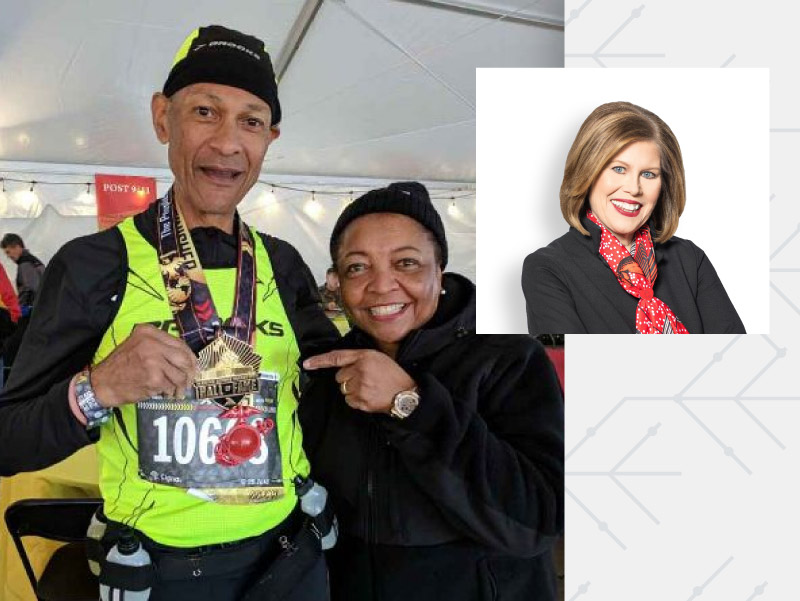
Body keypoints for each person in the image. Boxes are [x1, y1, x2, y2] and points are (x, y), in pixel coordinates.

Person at [0, 25, 338, 600]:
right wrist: (96, 389)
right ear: (163, 118)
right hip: (160, 572)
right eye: (205, 111)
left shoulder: (281, 264)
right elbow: (9, 443)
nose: (228, 142)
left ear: (270, 138)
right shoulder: (93, 265)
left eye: (251, 121)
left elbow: (328, 397)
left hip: (286, 558)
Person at [299, 182, 564, 601]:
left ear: (439, 271)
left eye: (405, 263)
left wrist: (410, 404)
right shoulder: (330, 369)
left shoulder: (507, 357)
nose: (381, 285)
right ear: (335, 284)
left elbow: (536, 522)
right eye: (357, 267)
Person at [521, 101, 746, 335]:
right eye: (618, 169)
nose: (634, 188)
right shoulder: (547, 269)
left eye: (648, 174)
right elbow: (569, 368)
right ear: (588, 171)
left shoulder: (690, 260)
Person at [1, 233, 45, 311]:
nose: (8, 256)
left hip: (35, 310)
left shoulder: (25, 264)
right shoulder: (33, 260)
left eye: (8, 252)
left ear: (17, 247)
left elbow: (29, 289)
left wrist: (20, 309)